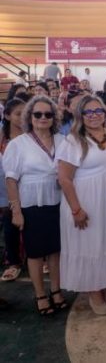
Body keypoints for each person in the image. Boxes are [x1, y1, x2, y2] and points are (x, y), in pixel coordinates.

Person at [57, 95, 106, 315]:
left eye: (98, 111)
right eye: (88, 112)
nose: (94, 115)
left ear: (105, 113)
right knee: (89, 244)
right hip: (84, 201)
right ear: (80, 115)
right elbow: (64, 179)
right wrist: (76, 210)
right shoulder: (72, 141)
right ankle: (93, 290)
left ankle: (105, 284)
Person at [4, 96, 66, 316]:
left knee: (56, 251)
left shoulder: (62, 140)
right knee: (35, 252)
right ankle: (40, 295)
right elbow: (11, 179)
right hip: (31, 203)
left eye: (48, 114)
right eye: (37, 114)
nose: (43, 118)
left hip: (58, 201)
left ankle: (56, 290)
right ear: (29, 117)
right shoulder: (18, 144)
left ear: (54, 117)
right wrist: (16, 211)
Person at [0, 99, 25, 282]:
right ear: (7, 116)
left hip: (28, 185)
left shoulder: (32, 135)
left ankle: (42, 257)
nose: (22, 117)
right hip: (6, 186)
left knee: (33, 223)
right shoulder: (2, 137)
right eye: (18, 114)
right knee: (10, 224)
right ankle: (13, 262)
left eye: (25, 113)